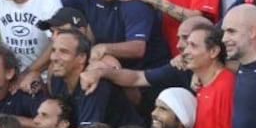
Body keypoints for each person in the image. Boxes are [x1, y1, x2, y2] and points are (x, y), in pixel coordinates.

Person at [44, 29, 143, 128]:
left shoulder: (94, 84)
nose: (54, 57)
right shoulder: (57, 78)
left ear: (81, 57)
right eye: (53, 50)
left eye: (64, 52)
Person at [78, 16, 214, 95]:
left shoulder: (228, 74)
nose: (179, 45)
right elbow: (136, 78)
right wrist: (101, 73)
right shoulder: (179, 67)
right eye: (179, 38)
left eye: (186, 38)